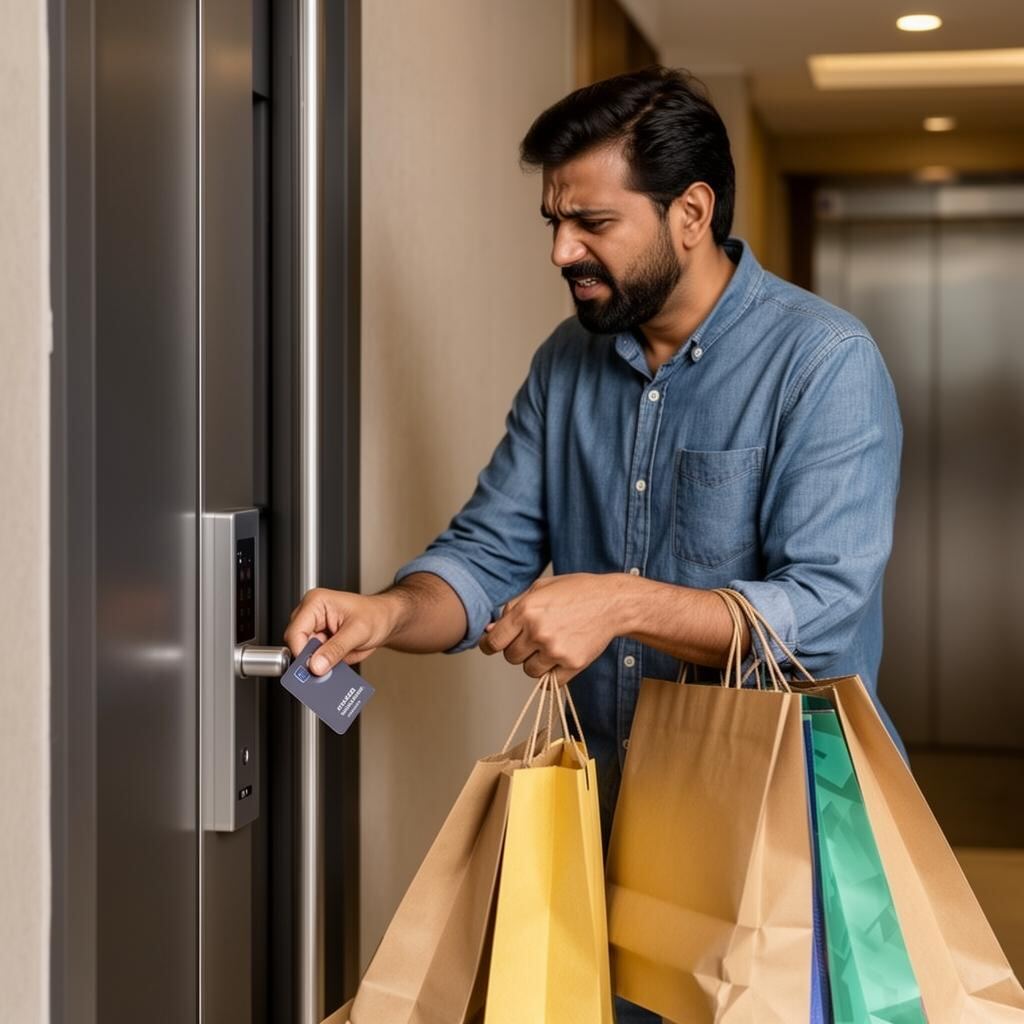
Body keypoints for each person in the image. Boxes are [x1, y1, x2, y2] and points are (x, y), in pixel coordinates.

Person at [286, 65, 904, 1024]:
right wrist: (389, 611)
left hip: (776, 842)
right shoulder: (564, 365)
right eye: (553, 222)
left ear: (690, 213)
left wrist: (617, 602)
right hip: (604, 831)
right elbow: (489, 555)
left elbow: (821, 616)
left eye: (594, 224)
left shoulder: (822, 363)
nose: (562, 250)